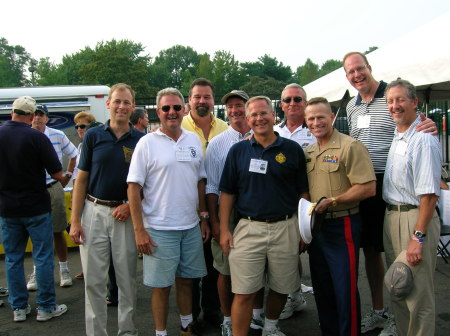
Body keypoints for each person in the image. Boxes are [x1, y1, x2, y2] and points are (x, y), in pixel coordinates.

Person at [343, 51, 437, 335]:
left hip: (397, 184)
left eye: (360, 69)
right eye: (350, 72)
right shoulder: (351, 106)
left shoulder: (391, 97)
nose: (357, 75)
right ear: (347, 77)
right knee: (373, 251)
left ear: (369, 68)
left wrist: (428, 122)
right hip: (368, 185)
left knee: (408, 263)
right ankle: (381, 311)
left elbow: (414, 121)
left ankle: (400, 320)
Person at [219, 96, 309, 336]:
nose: (259, 119)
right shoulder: (238, 151)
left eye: (264, 113)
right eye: (254, 115)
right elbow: (227, 193)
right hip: (248, 229)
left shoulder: (292, 150)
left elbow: (304, 192)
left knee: (283, 286)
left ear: (274, 115)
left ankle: (270, 327)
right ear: (247, 120)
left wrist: (304, 229)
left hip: (286, 226)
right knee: (244, 292)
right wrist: (224, 230)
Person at [128, 87, 209, 336]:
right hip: (159, 229)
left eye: (176, 107)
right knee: (161, 287)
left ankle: (186, 326)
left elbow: (200, 181)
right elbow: (133, 188)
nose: (171, 112)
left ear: (184, 109)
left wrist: (204, 217)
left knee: (186, 281)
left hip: (190, 226)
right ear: (158, 112)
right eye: (166, 108)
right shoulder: (146, 143)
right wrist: (139, 230)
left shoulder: (193, 140)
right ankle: (160, 333)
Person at [69, 83, 144, 336]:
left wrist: (129, 205)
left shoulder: (141, 140)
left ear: (132, 107)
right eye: (117, 101)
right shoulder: (93, 135)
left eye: (126, 102)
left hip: (125, 216)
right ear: (108, 104)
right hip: (94, 212)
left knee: (126, 281)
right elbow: (81, 179)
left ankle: (127, 331)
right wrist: (75, 220)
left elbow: (148, 184)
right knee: (94, 282)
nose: (121, 106)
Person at [304, 97, 376, 336]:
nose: (316, 122)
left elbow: (368, 188)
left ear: (332, 117)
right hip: (316, 228)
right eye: (311, 118)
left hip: (342, 224)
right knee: (322, 288)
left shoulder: (350, 146)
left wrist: (334, 201)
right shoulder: (309, 151)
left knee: (344, 288)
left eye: (321, 117)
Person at [0, 96, 68, 322]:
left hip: (8, 208)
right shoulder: (36, 137)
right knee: (42, 257)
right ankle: (46, 307)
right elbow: (57, 174)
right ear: (31, 115)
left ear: (12, 112)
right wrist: (69, 177)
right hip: (36, 207)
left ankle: (19, 308)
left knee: (13, 258)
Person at [382, 79, 441, 336]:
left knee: (418, 295)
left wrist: (418, 237)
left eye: (400, 100)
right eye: (390, 101)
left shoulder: (423, 139)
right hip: (393, 216)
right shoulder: (399, 133)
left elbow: (429, 195)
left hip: (415, 218)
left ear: (415, 102)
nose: (395, 106)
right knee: (399, 286)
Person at [205, 90, 253, 336]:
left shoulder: (264, 135)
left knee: (257, 268)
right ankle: (227, 319)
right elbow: (212, 186)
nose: (235, 111)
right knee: (224, 269)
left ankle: (254, 316)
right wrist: (215, 221)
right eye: (230, 107)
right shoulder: (217, 143)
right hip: (228, 214)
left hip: (256, 211)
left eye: (239, 105)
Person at [182, 78, 228, 328]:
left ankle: (212, 310)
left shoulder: (225, 128)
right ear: (189, 100)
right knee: (191, 266)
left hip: (220, 207)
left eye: (206, 97)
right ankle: (190, 316)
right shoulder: (178, 126)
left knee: (215, 265)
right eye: (197, 97)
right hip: (189, 209)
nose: (202, 101)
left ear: (213, 100)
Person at [273, 83, 315, 320]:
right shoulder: (273, 131)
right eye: (287, 100)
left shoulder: (316, 128)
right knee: (290, 254)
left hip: (313, 200)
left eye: (297, 99)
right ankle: (295, 295)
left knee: (314, 253)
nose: (292, 104)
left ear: (305, 103)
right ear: (281, 104)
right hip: (284, 202)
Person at [26, 104, 78, 290]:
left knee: (57, 230)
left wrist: (67, 176)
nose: (38, 118)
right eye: (35, 115)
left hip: (53, 187)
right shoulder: (25, 134)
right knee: (37, 234)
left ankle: (64, 269)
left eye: (42, 115)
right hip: (32, 190)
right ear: (30, 116)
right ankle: (37, 273)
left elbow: (74, 154)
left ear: (47, 119)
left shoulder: (57, 135)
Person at [72, 111, 96, 280]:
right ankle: (86, 269)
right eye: (77, 126)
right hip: (83, 197)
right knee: (86, 239)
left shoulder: (96, 142)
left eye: (83, 126)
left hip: (95, 198)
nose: (79, 129)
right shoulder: (81, 147)